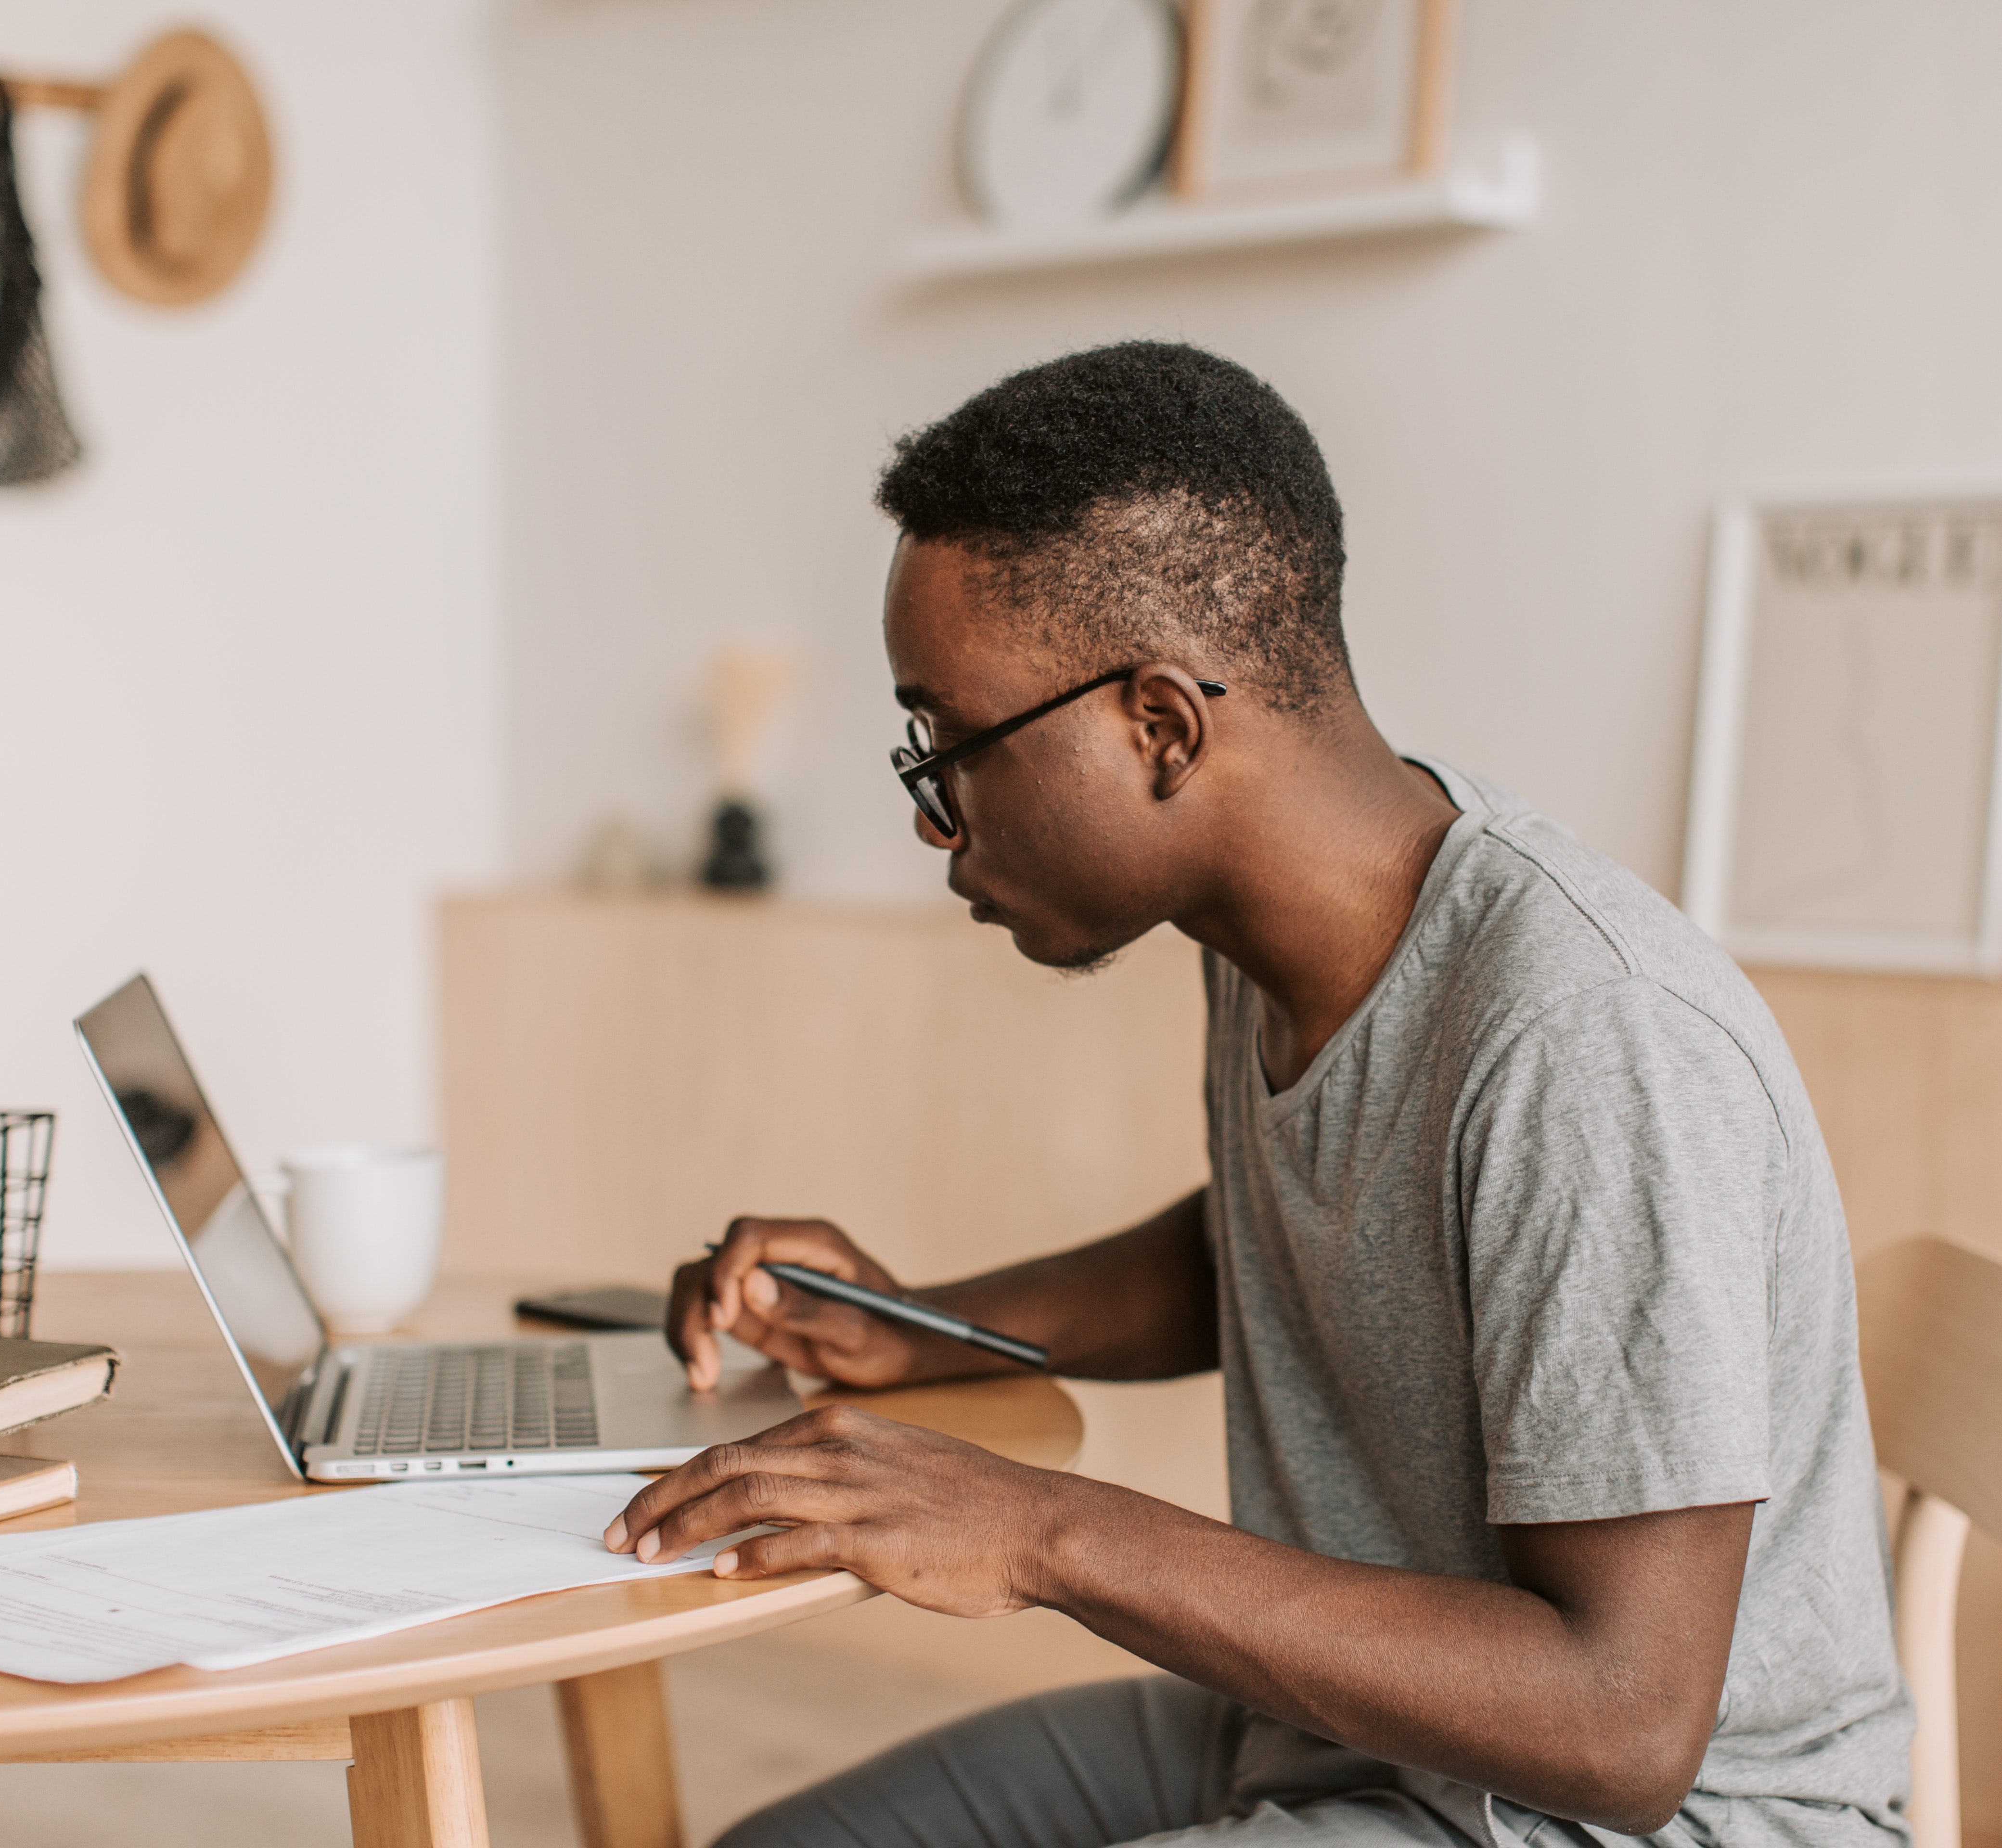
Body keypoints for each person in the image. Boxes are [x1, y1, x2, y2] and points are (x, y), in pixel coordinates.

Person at [603, 343, 1912, 1848]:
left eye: (950, 746)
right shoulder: (1285, 930)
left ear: (1160, 726)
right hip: (1353, 1740)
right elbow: (1289, 1245)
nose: (931, 819)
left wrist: (1040, 1529)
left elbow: (1625, 1725)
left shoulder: (1587, 1036)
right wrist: (926, 1328)